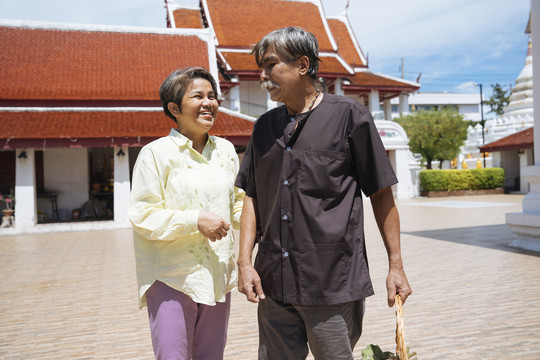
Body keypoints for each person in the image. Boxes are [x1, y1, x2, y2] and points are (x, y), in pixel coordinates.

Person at [235, 27, 412, 360]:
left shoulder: (350, 117)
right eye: (261, 67)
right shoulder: (264, 128)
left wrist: (396, 266)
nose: (263, 76)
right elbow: (252, 197)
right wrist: (245, 262)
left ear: (303, 65)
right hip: (274, 281)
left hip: (330, 282)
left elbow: (381, 194)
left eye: (270, 65)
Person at [128, 67, 244, 360]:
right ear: (174, 108)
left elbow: (238, 205)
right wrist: (195, 219)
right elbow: (143, 214)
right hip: (172, 276)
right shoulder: (156, 154)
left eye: (212, 96)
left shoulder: (227, 151)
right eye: (198, 96)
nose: (209, 103)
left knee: (211, 356)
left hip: (218, 273)